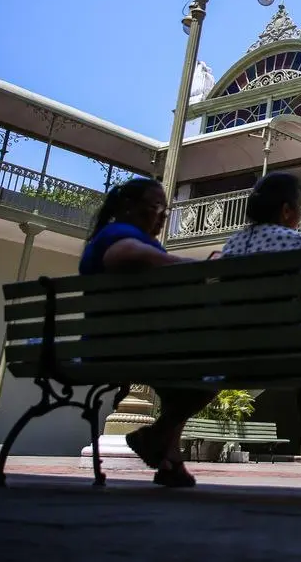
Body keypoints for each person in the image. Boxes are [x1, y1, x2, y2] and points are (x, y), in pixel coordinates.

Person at [220, 171, 301, 497]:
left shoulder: (233, 244)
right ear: (286, 211)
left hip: (229, 351)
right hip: (284, 353)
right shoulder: (295, 242)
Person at [79, 177, 212, 488]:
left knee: (184, 381)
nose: (162, 216)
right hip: (122, 346)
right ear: (129, 207)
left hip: (115, 343)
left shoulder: (112, 235)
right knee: (214, 370)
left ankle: (169, 459)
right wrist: (183, 264)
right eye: (156, 207)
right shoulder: (119, 234)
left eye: (165, 210)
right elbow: (122, 255)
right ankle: (157, 439)